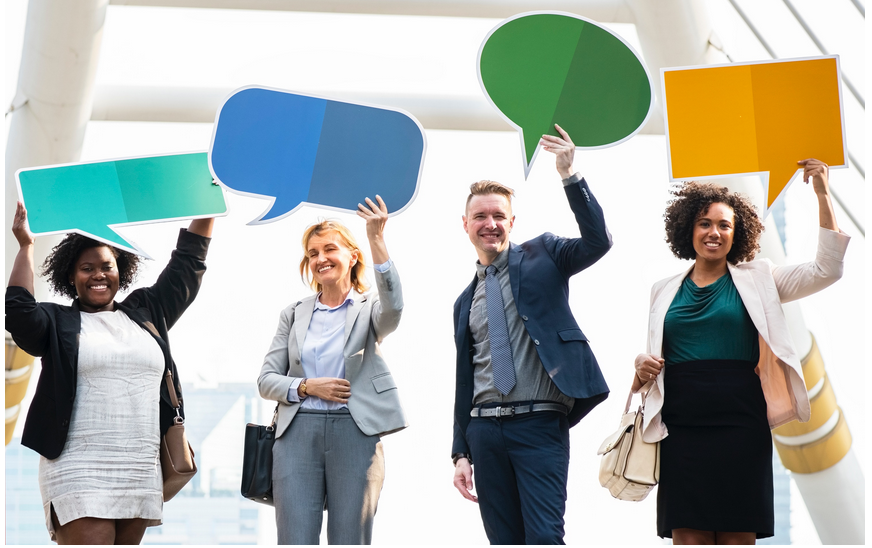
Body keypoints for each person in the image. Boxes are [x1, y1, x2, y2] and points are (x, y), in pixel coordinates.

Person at [633, 159, 850, 544]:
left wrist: (822, 193)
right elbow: (653, 355)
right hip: (681, 427)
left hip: (741, 424)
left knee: (737, 537)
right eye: (705, 223)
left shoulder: (761, 279)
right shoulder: (662, 290)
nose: (713, 232)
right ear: (689, 229)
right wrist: (640, 363)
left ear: (738, 234)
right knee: (688, 538)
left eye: (724, 225)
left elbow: (826, 270)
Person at [5, 201, 215, 545]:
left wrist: (208, 206)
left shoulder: (148, 310)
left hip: (139, 466)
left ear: (122, 270)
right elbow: (19, 311)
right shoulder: (58, 322)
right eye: (87, 268)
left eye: (106, 266)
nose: (98, 274)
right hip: (78, 467)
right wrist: (26, 246)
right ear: (71, 277)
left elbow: (188, 263)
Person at [450, 124, 612, 544]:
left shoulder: (545, 254)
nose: (490, 223)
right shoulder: (464, 302)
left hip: (539, 424)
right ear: (465, 224)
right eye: (481, 216)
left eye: (498, 216)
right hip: (484, 432)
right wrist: (460, 451)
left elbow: (598, 242)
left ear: (511, 222)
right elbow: (465, 379)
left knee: (543, 538)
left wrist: (569, 174)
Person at [257, 196, 405, 545]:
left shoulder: (370, 308)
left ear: (352, 256)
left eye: (329, 249)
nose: (320, 258)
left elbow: (394, 307)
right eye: (312, 253)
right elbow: (266, 380)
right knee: (294, 539)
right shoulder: (293, 313)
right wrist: (308, 386)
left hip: (355, 430)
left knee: (350, 539)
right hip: (297, 435)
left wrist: (376, 238)